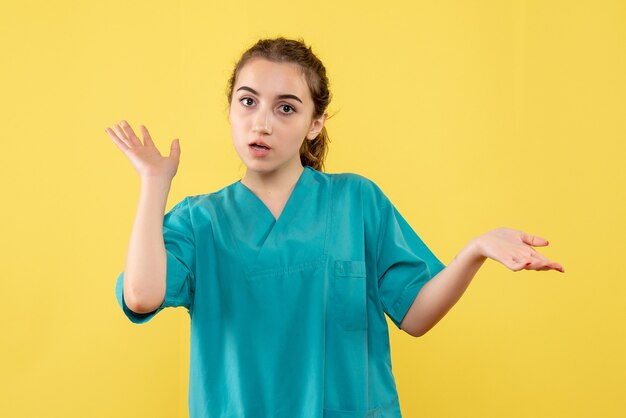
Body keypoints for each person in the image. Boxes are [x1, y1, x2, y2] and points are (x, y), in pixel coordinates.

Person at [106, 37, 564, 418]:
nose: (262, 121)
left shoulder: (357, 201)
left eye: (286, 108)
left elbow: (416, 315)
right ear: (230, 109)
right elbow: (141, 295)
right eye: (248, 102)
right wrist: (154, 184)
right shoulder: (199, 221)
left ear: (314, 123)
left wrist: (474, 251)